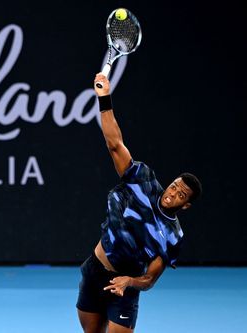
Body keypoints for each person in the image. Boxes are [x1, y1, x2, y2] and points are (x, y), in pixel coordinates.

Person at [76, 73, 202, 333]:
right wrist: (104, 98)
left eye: (181, 195)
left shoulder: (173, 235)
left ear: (186, 205)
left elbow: (150, 279)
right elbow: (114, 144)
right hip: (94, 269)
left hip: (125, 286)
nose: (173, 192)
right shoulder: (141, 179)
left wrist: (130, 282)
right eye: (175, 185)